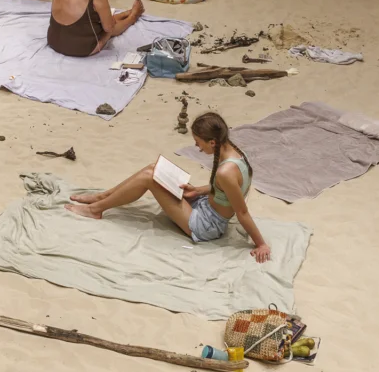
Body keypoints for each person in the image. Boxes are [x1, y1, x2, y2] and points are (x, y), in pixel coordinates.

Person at [66, 112, 271, 261]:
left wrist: (261, 243)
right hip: (204, 205)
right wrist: (198, 190)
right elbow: (227, 189)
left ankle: (95, 210)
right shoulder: (235, 153)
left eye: (198, 142)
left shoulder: (225, 172)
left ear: (212, 142)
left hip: (206, 225)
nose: (197, 147)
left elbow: (242, 212)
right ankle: (102, 197)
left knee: (149, 178)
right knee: (153, 169)